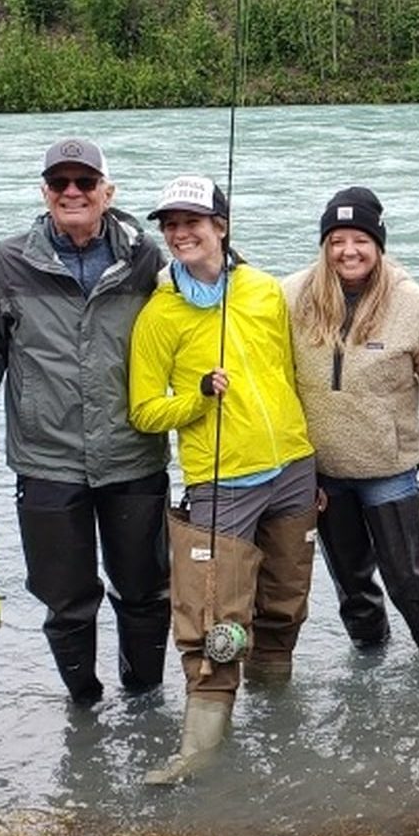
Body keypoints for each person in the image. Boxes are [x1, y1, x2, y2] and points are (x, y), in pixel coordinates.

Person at [0, 137, 170, 708]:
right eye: (60, 184)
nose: (72, 193)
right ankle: (85, 708)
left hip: (134, 452)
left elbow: (194, 314)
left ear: (108, 192)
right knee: (67, 598)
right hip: (46, 458)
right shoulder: (8, 262)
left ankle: (144, 700)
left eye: (84, 183)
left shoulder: (146, 258)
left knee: (146, 591)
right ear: (45, 193)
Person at [128, 175, 317, 785]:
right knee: (216, 623)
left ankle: (276, 723)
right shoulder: (160, 315)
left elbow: (292, 377)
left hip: (291, 469)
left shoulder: (264, 291)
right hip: (220, 483)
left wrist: (312, 460)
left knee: (285, 606)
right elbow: (143, 410)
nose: (181, 233)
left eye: (193, 222)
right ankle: (200, 756)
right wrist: (196, 398)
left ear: (222, 227)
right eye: (170, 225)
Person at [283, 186, 419, 654]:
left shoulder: (415, 303)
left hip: (390, 472)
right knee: (352, 589)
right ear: (324, 245)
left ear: (378, 244)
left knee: (410, 582)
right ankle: (368, 669)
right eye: (337, 240)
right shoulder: (291, 295)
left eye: (360, 239)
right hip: (322, 475)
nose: (348, 251)